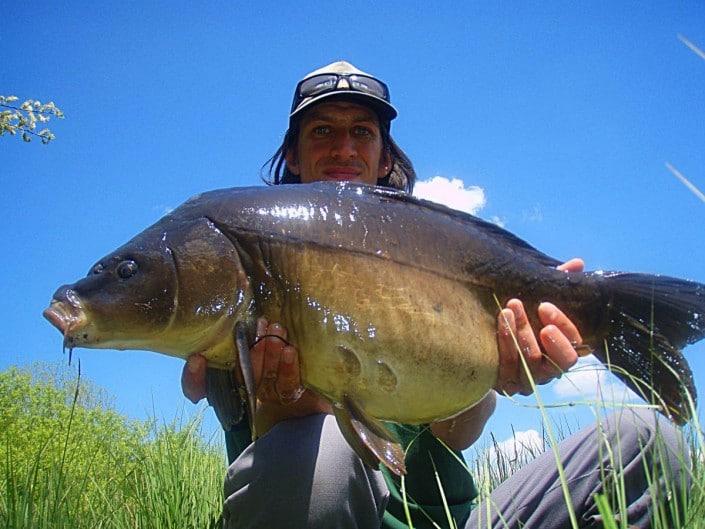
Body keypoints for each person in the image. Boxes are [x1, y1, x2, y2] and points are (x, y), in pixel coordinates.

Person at [181, 61, 688, 529]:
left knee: (648, 443)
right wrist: (279, 404)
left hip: (454, 519)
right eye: (322, 131)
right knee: (325, 458)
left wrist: (498, 371)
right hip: (320, 509)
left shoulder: (432, 256)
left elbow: (452, 435)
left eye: (362, 131)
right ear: (292, 154)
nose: (344, 147)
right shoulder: (238, 268)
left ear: (383, 157)